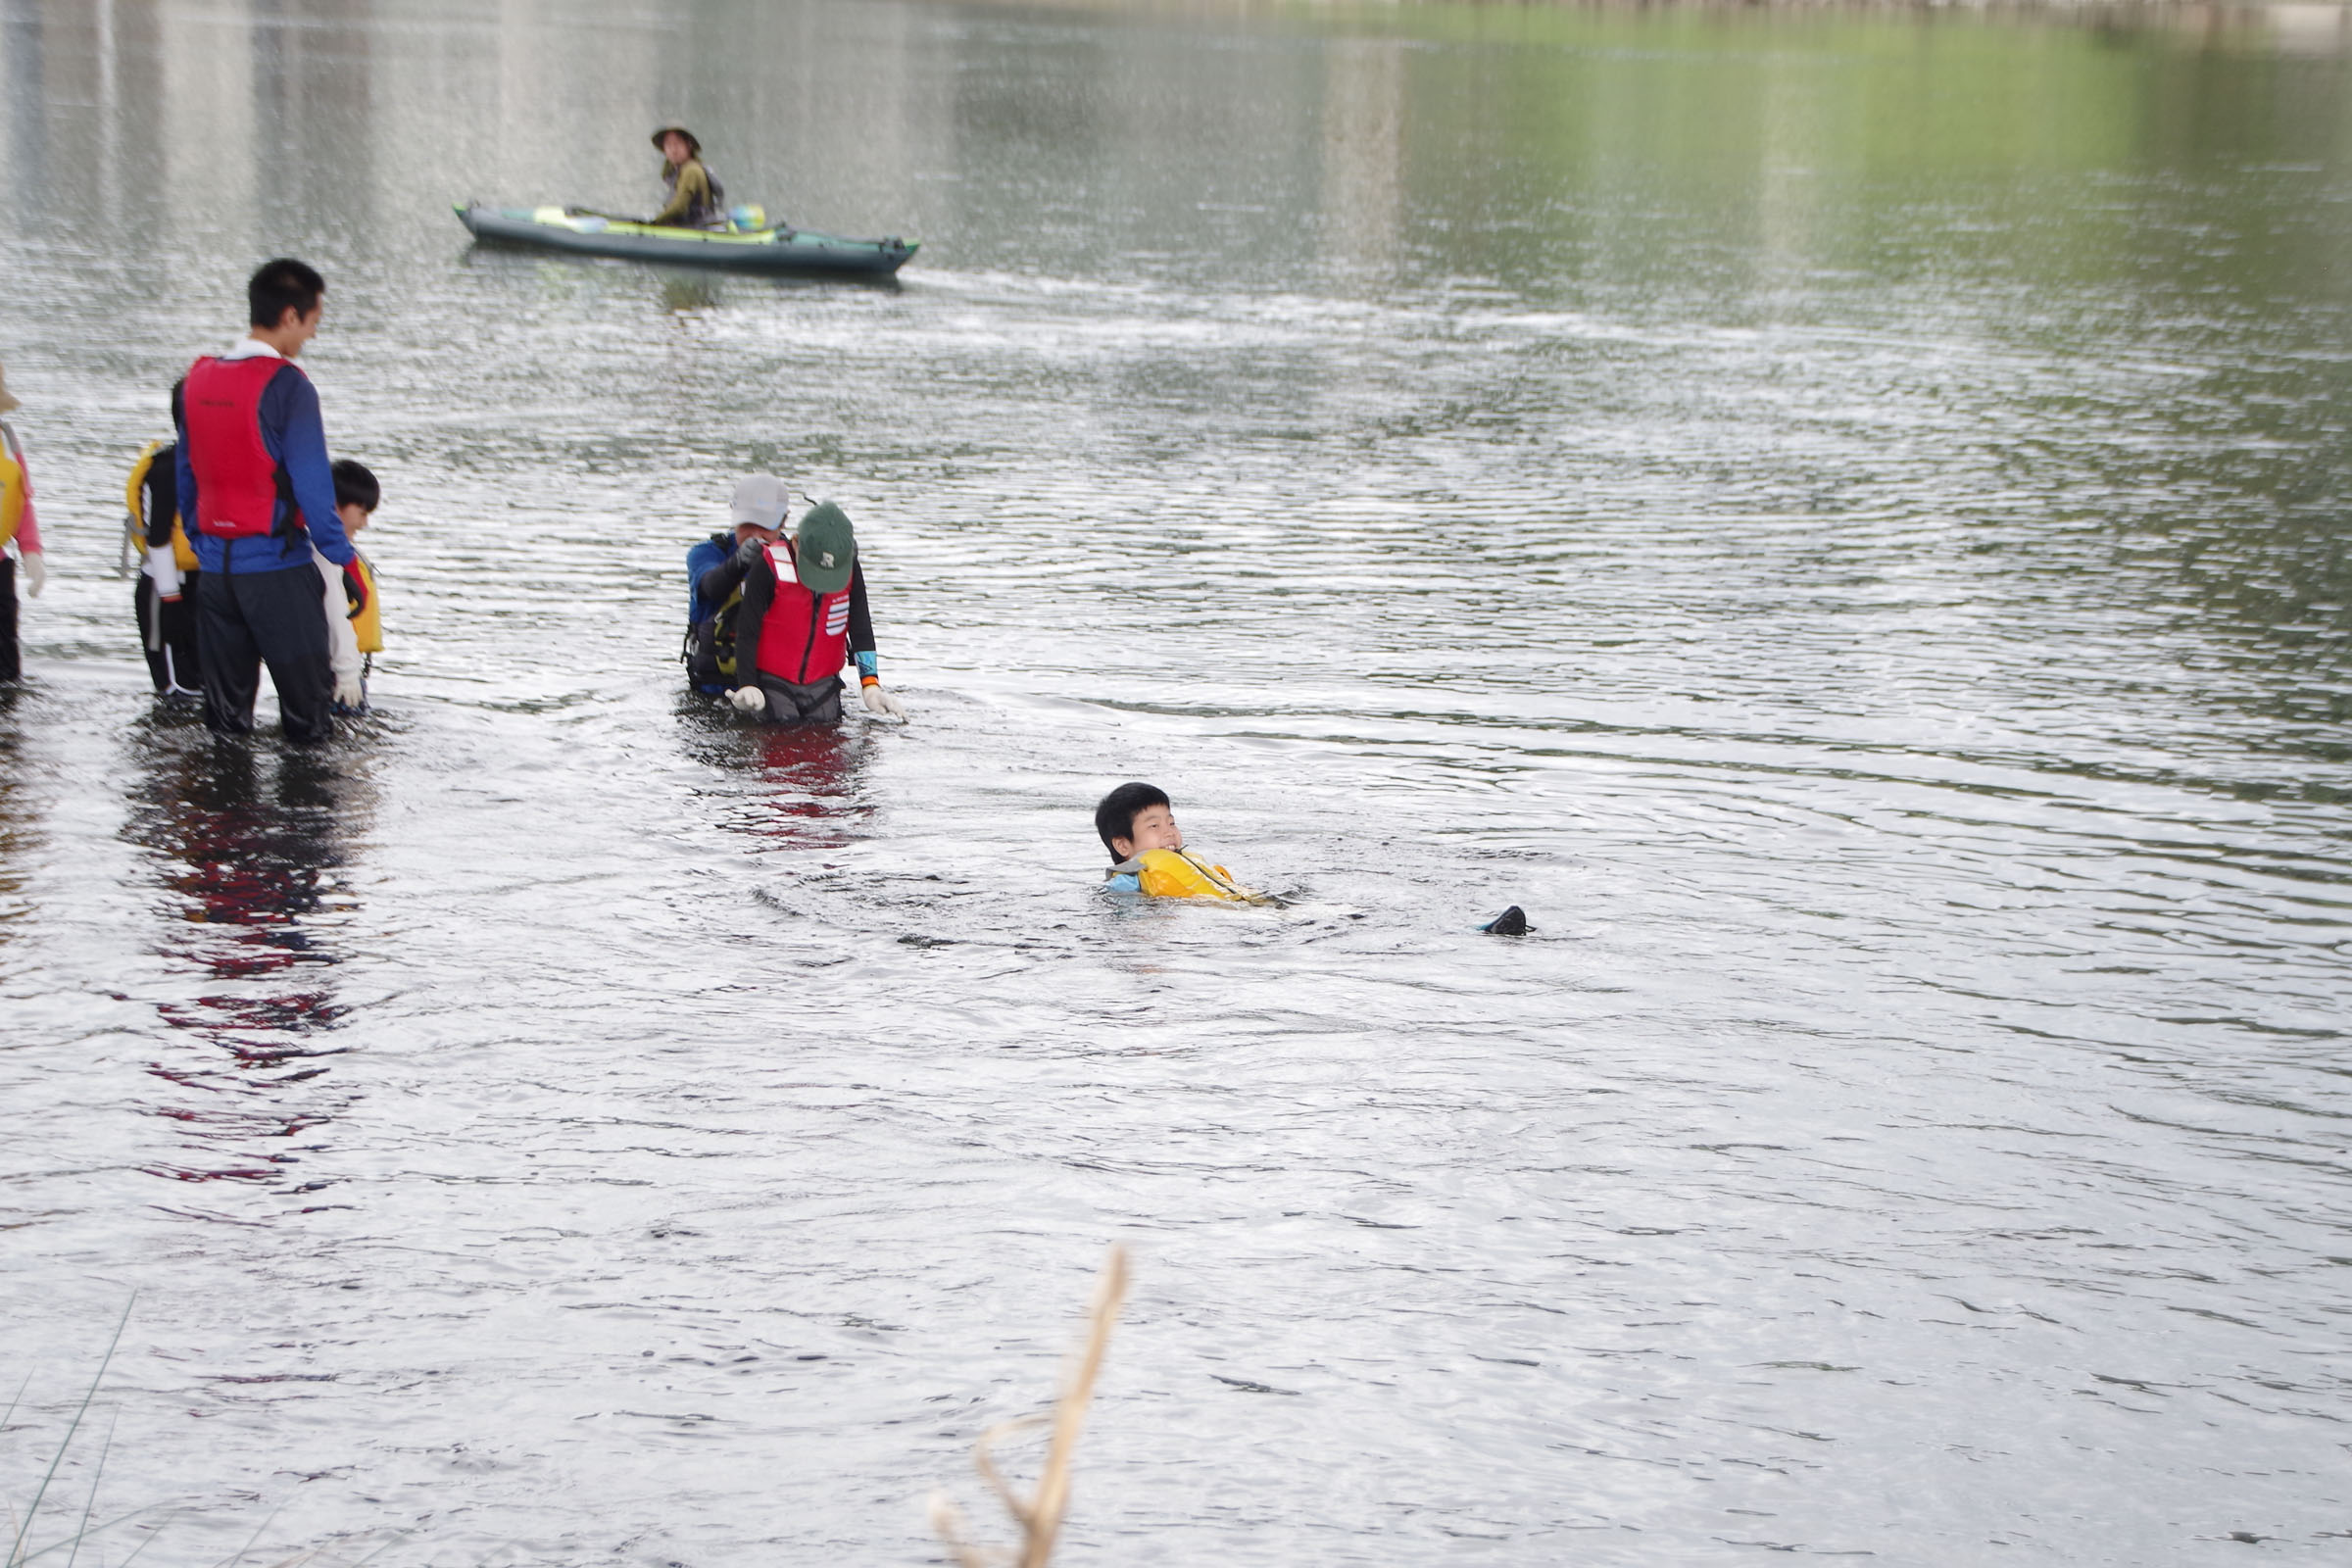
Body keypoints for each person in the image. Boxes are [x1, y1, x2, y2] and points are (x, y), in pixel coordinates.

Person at [173, 258, 359, 743]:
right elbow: (314, 485)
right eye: (315, 322)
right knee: (308, 721)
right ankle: (305, 819)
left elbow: (185, 474)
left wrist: (204, 541)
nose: (312, 336)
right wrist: (342, 558)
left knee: (225, 724)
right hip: (277, 571)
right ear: (291, 315)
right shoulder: (290, 386)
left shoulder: (197, 379)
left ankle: (225, 815)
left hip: (215, 574)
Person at [724, 500, 909, 725]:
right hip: (773, 683)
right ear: (795, 543)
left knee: (827, 737)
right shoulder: (768, 567)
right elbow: (747, 630)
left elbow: (860, 628)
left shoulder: (850, 567)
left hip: (824, 684)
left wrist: (871, 686)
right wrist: (748, 684)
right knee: (781, 733)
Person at [684, 474, 790, 695]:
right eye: (747, 525)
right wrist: (739, 562)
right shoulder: (706, 554)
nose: (755, 535)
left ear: (783, 521)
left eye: (764, 526)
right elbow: (711, 587)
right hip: (714, 690)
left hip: (774, 690)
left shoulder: (796, 557)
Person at [1094, 782, 1271, 904]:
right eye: (1154, 826)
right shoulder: (1126, 882)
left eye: (1171, 823)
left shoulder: (1194, 865)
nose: (1169, 832)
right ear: (1123, 845)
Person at [125, 438, 202, 702]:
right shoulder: (167, 467)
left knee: (205, 691)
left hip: (202, 585)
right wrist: (171, 598)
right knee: (177, 695)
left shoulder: (215, 460)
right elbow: (158, 538)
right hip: (166, 590)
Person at [315, 459, 382, 715]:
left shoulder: (343, 552)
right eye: (362, 513)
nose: (364, 524)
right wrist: (347, 672)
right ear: (335, 507)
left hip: (346, 669)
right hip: (338, 675)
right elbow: (335, 612)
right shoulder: (324, 556)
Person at [0, 364, 49, 684]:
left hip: (0, 566)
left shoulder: (7, 441)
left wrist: (32, 553)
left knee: (7, 672)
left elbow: (21, 499)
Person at [651, 125, 724, 228]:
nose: (673, 150)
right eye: (668, 145)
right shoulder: (680, 170)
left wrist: (654, 223)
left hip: (696, 228)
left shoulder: (691, 170)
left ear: (688, 146)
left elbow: (680, 207)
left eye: (677, 144)